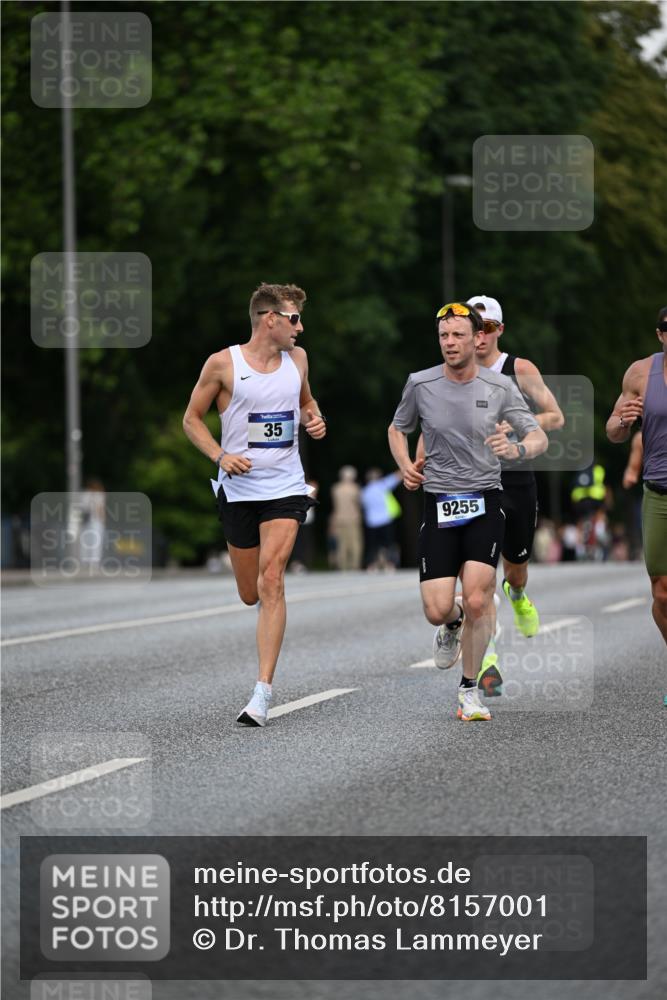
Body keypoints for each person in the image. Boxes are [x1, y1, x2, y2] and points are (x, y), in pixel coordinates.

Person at [388, 301, 547, 721]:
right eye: (444, 336)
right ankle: (452, 624)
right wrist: (406, 466)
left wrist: (515, 448)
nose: (450, 343)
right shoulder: (420, 384)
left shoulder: (499, 387)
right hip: (439, 501)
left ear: (476, 340)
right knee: (438, 609)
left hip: (485, 499)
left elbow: (538, 437)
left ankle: (469, 690)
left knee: (478, 598)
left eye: (458, 335)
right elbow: (397, 428)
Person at [183, 283, 326, 726]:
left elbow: (305, 402)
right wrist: (220, 455)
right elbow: (191, 420)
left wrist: (313, 417)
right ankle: (262, 682)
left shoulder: (297, 361)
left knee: (272, 579)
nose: (300, 327)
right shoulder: (223, 364)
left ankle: (262, 692)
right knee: (250, 593)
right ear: (270, 319)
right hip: (239, 491)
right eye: (295, 318)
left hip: (285, 487)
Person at [416, 294, 564, 692]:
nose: (479, 338)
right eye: (473, 329)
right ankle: (487, 662)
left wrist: (514, 428)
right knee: (475, 585)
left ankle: (517, 593)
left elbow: (555, 416)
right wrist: (420, 461)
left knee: (514, 566)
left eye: (488, 329)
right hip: (468, 487)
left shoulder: (517, 369)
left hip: (515, 478)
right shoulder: (449, 374)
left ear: (496, 331)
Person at [606, 305, 667, 694]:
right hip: (658, 492)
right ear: (661, 334)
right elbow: (612, 430)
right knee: (661, 590)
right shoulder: (641, 373)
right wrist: (623, 421)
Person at [361, 469, 402, 570]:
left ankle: (371, 565)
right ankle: (390, 564)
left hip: (371, 522)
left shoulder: (364, 491)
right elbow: (398, 476)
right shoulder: (383, 485)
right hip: (385, 520)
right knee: (389, 544)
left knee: (372, 546)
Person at [330, 466, 363, 570]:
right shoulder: (355, 489)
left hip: (339, 518)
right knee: (355, 543)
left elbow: (335, 505)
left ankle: (343, 566)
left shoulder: (336, 489)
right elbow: (359, 504)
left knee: (341, 544)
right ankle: (354, 565)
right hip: (353, 518)